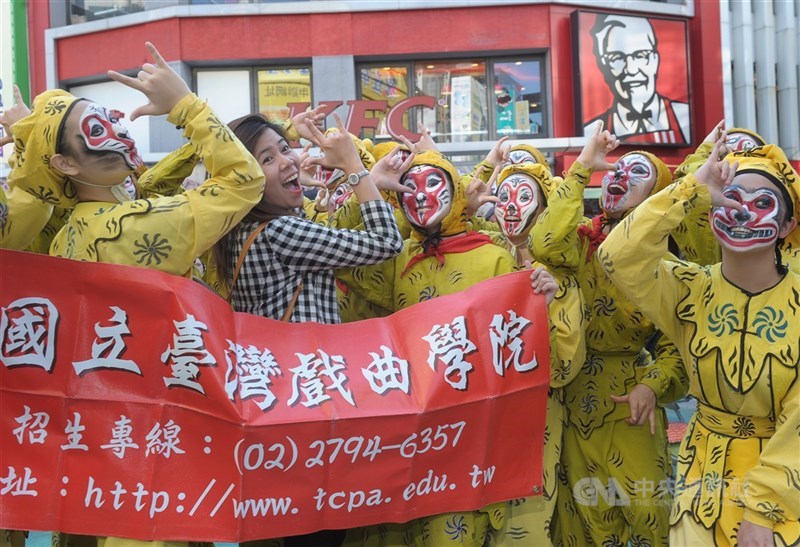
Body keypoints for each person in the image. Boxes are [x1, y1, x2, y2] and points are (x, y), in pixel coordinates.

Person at [7, 41, 265, 547]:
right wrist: (184, 104)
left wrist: (27, 138)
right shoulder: (131, 227)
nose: (120, 131)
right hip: (153, 442)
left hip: (94, 448)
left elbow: (144, 190)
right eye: (98, 130)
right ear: (65, 165)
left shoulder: (68, 232)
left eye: (109, 118)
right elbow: (243, 180)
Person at [598, 138, 800, 547]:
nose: (743, 211)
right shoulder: (689, 289)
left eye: (763, 203)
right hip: (700, 478)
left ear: (787, 226)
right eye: (731, 198)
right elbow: (616, 255)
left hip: (781, 484)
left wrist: (763, 511)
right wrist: (689, 190)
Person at [529, 123, 688, 546]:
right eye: (618, 169)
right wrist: (583, 165)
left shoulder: (665, 260)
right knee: (584, 522)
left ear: (656, 197)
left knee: (647, 516)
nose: (620, 177)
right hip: (572, 395)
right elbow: (543, 243)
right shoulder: (579, 240)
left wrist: (651, 385)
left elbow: (680, 349)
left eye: (639, 174)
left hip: (628, 402)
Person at [584, 14, 690, 145]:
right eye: (617, 58)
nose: (631, 70)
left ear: (655, 60)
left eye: (640, 55)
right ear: (604, 65)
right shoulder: (590, 134)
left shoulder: (685, 117)